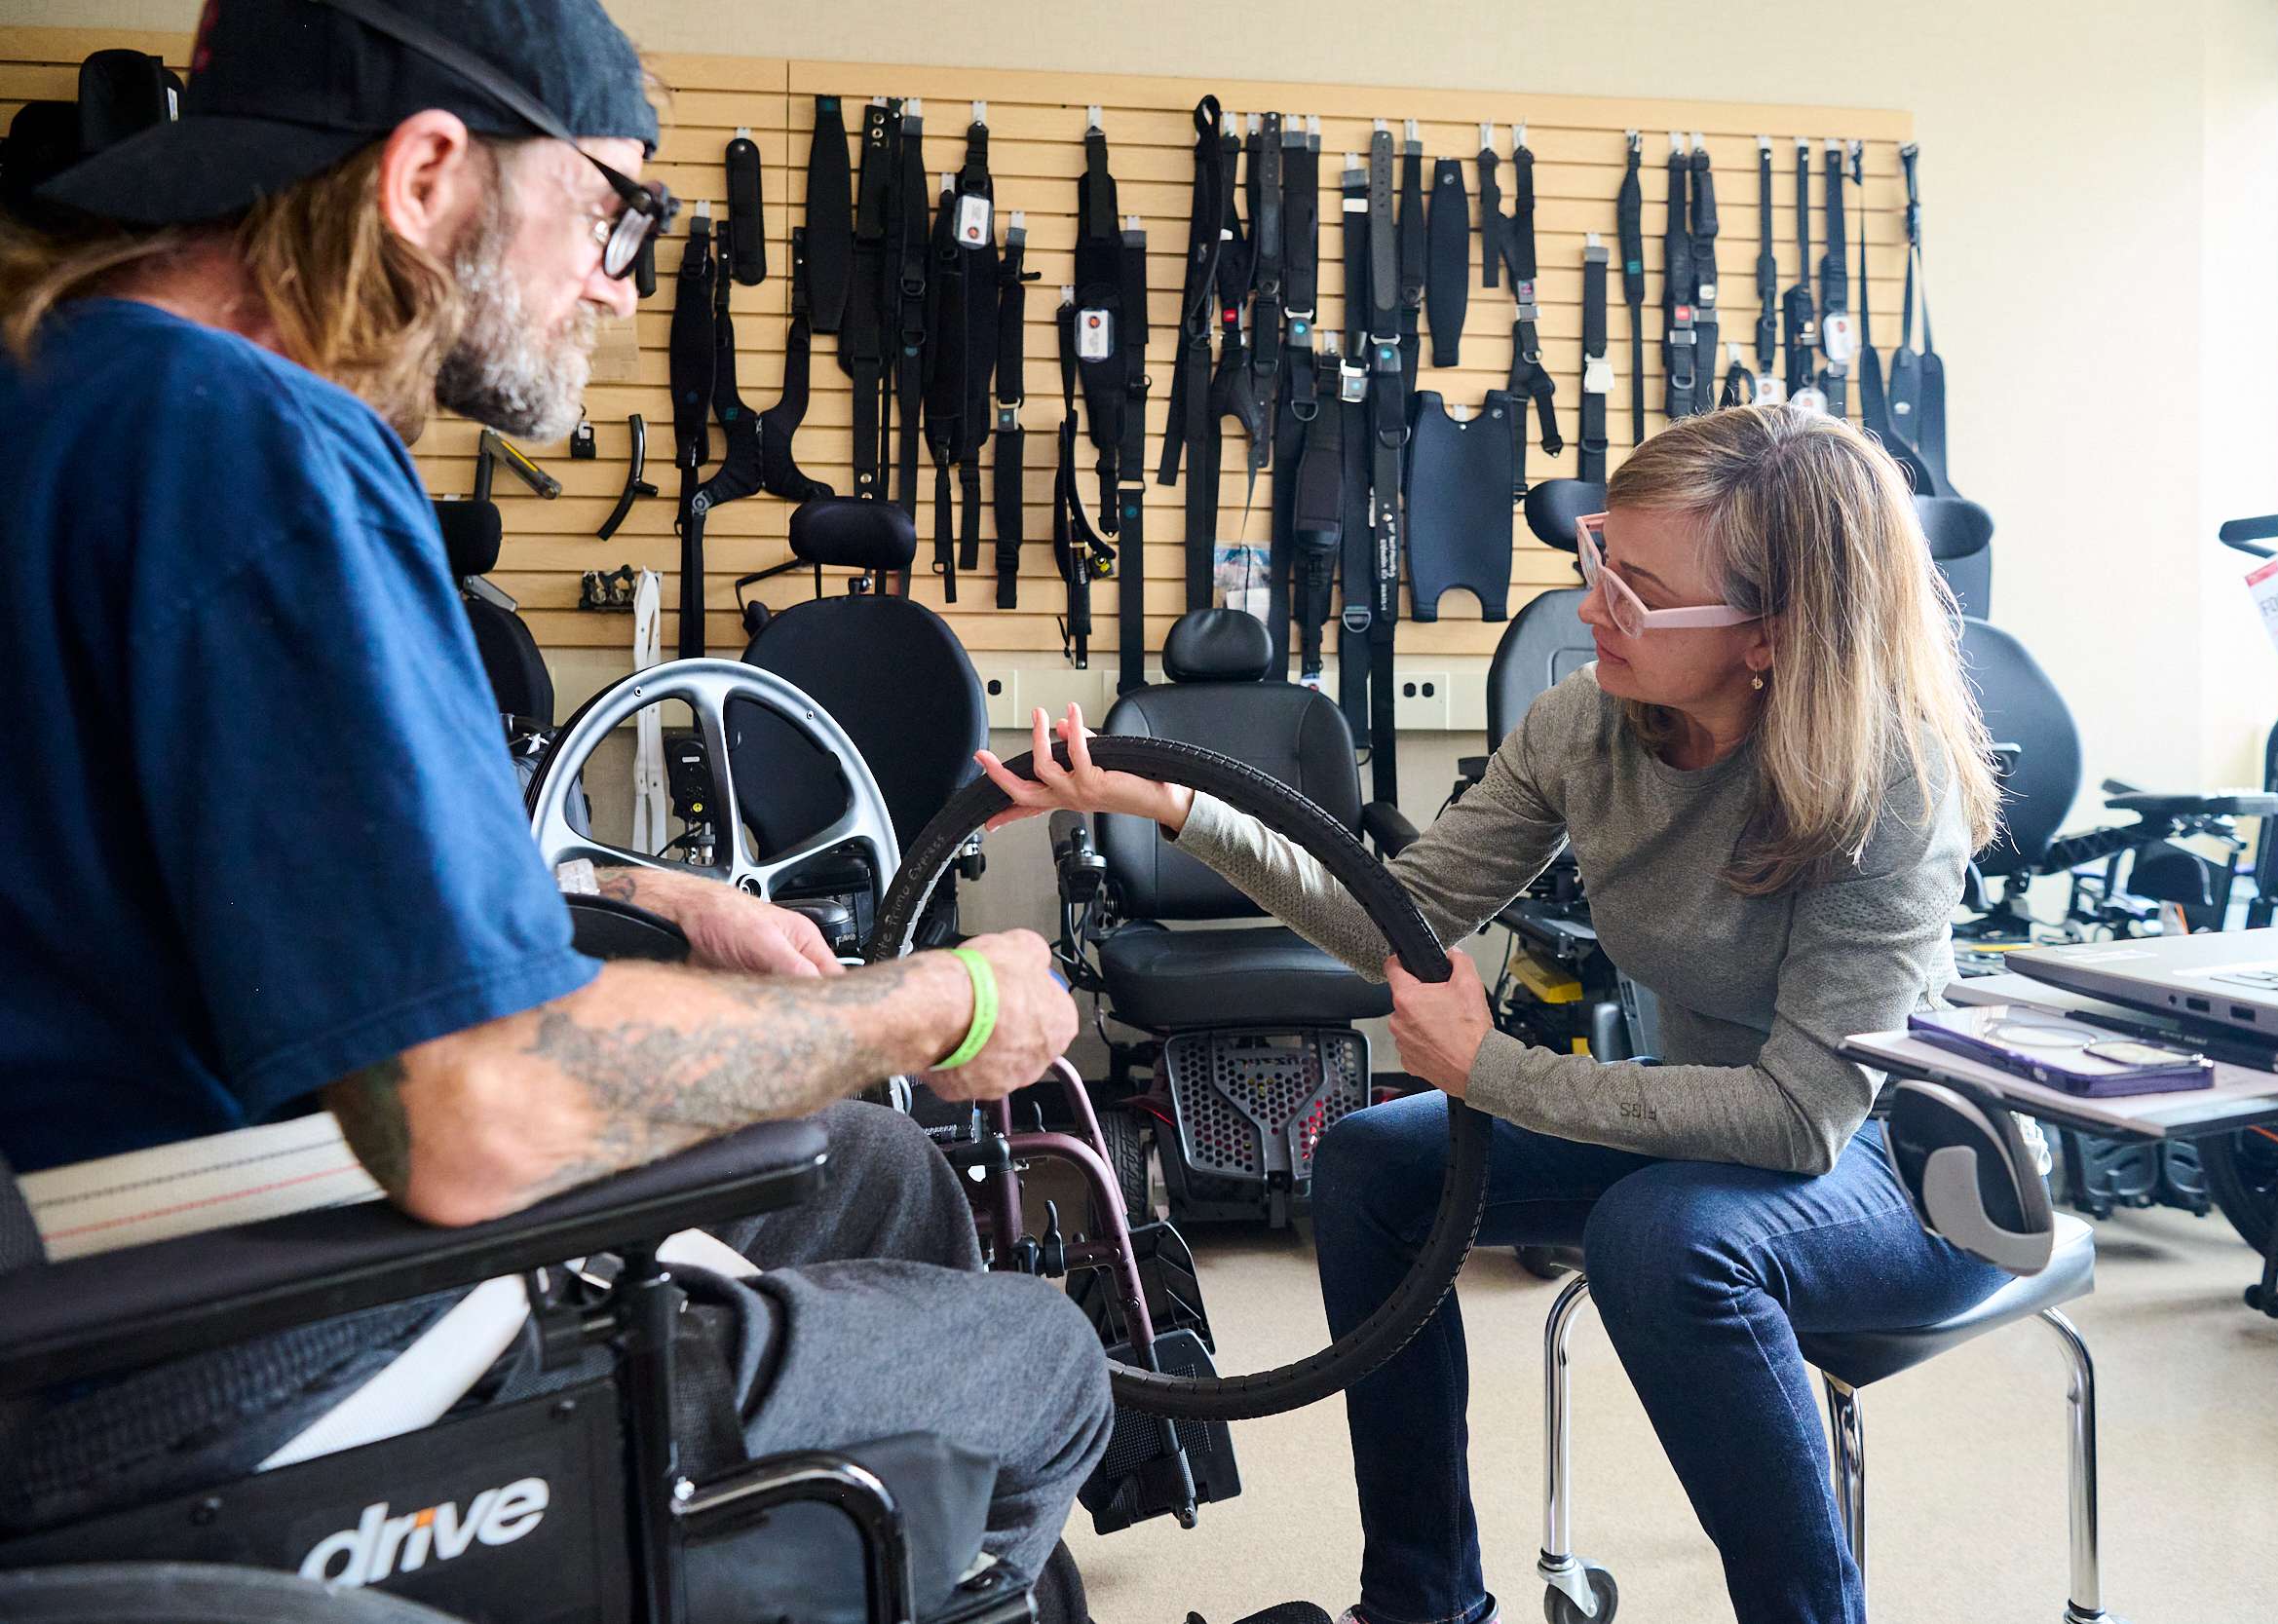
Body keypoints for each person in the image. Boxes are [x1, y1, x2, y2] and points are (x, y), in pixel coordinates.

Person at [0, 0, 1108, 1586]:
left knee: (866, 1163)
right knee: (1037, 1360)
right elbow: (470, 1113)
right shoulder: (255, 443)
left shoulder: (73, 386)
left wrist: (671, 916)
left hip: (140, 1213)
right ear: (429, 174)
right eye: (605, 207)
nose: (617, 276)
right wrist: (929, 1002)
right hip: (208, 1356)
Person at [979, 405, 2012, 1624]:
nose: (1589, 612)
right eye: (1596, 565)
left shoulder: (1888, 777)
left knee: (1663, 1233)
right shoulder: (1589, 725)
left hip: (1918, 1164)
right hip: (1700, 1142)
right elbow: (1397, 918)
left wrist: (1492, 1070)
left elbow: (1799, 1117)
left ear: (1772, 637)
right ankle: (1420, 1601)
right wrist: (1167, 805)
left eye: (1635, 592)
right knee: (1371, 1159)